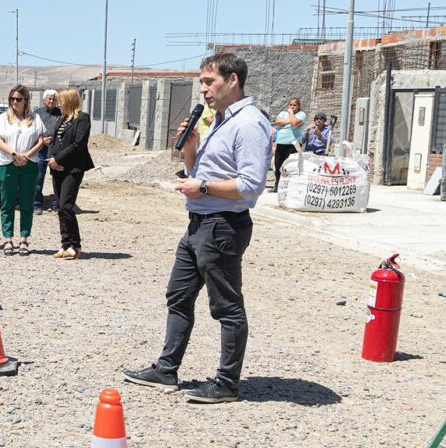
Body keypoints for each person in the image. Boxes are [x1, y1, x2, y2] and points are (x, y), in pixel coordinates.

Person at [123, 52, 271, 404]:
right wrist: (191, 148)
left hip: (223, 226)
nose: (202, 90)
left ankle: (227, 383)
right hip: (198, 224)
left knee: (226, 307)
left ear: (232, 80)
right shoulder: (218, 120)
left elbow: (251, 186)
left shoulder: (248, 123)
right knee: (178, 295)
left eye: (209, 82)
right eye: (201, 83)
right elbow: (197, 172)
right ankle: (166, 368)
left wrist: (203, 188)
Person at [0, 84, 46, 256]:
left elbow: (41, 140)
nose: (15, 102)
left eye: (18, 99)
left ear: (26, 100)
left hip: (29, 164)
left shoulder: (35, 118)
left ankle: (24, 238)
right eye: (12, 99)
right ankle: (8, 238)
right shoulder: (3, 118)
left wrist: (26, 156)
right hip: (8, 163)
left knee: (26, 202)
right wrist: (15, 155)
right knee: (7, 202)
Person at [46, 88, 94, 260]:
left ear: (70, 101)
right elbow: (53, 141)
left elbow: (78, 144)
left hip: (73, 168)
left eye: (62, 101)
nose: (59, 104)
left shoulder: (82, 118)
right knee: (59, 206)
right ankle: (65, 244)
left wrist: (58, 159)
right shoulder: (62, 119)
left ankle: (76, 245)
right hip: (57, 168)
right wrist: (52, 158)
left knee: (66, 205)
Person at [32, 90, 62, 213]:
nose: (51, 101)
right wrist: (41, 140)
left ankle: (57, 205)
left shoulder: (61, 113)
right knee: (38, 178)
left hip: (57, 151)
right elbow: (31, 130)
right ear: (44, 100)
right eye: (49, 99)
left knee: (57, 178)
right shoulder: (37, 113)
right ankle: (37, 205)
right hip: (41, 150)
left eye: (54, 99)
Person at [272, 97, 305, 192]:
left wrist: (290, 114)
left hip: (293, 143)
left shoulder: (301, 114)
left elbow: (295, 123)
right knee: (278, 164)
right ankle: (277, 184)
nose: (292, 107)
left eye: (294, 105)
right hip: (281, 142)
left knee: (289, 165)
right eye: (290, 105)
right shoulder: (283, 113)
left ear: (298, 106)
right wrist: (291, 120)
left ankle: (288, 187)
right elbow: (277, 122)